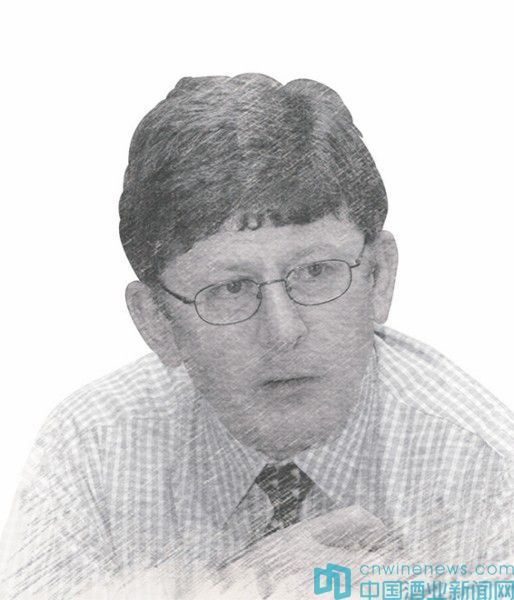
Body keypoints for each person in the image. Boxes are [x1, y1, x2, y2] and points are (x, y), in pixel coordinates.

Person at [0, 73, 512, 600]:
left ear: (379, 278)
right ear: (156, 322)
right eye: (230, 288)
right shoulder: (93, 446)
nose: (283, 332)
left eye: (315, 272)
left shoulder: (485, 465)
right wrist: (240, 587)